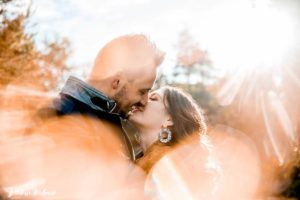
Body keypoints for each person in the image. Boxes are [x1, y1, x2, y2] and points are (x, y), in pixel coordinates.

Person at [128, 86, 207, 173]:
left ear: (170, 120)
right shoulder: (135, 163)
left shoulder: (170, 166)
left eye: (153, 98)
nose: (142, 100)